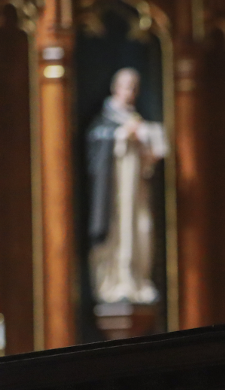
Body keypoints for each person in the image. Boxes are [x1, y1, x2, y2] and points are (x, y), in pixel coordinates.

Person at [86, 68, 168, 304]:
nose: (130, 92)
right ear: (115, 88)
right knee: (119, 233)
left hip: (136, 193)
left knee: (141, 229)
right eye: (126, 86)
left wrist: (148, 146)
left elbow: (151, 158)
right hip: (114, 195)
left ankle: (137, 281)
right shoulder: (105, 120)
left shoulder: (137, 119)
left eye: (134, 87)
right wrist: (121, 135)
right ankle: (116, 281)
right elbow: (95, 143)